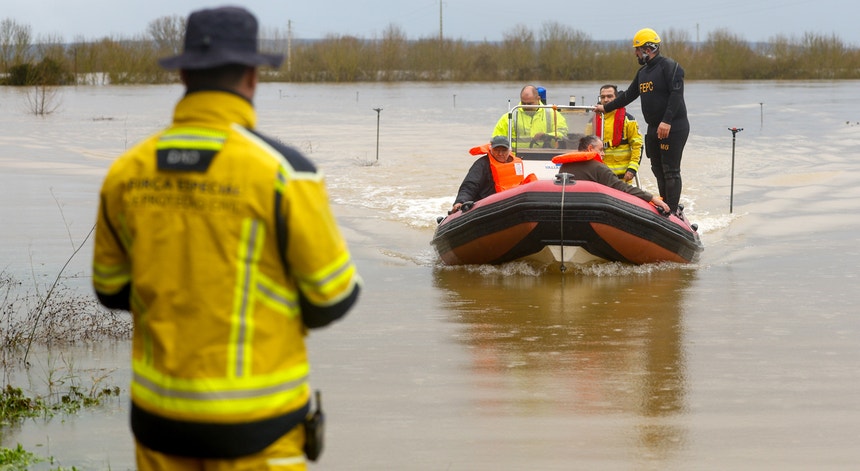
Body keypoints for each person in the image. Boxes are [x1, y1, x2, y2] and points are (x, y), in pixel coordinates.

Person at [91, 6, 361, 470]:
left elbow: (111, 291)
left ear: (183, 77)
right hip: (260, 431)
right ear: (253, 76)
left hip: (160, 426)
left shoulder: (126, 172)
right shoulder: (286, 174)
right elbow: (331, 300)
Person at [594, 28, 689, 214]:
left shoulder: (670, 67)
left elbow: (676, 95)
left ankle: (673, 210)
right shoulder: (643, 72)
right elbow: (628, 96)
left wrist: (667, 121)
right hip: (654, 127)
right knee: (657, 168)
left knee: (670, 170)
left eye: (637, 49)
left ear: (648, 48)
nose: (635, 53)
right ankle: (665, 203)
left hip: (673, 126)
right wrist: (606, 108)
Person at [556, 135, 670, 213]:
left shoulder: (565, 166)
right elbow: (621, 187)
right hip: (591, 212)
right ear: (590, 149)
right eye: (600, 150)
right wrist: (651, 198)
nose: (603, 154)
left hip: (567, 209)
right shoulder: (598, 167)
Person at [451, 135, 533, 212]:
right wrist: (460, 201)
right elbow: (470, 185)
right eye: (496, 150)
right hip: (486, 206)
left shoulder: (516, 164)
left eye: (504, 150)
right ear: (491, 149)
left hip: (509, 204)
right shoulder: (482, 164)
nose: (500, 154)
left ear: (509, 150)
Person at [493, 85, 568, 149]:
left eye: (529, 103)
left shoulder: (552, 113)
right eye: (523, 103)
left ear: (538, 99)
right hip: (516, 158)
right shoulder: (510, 116)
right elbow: (496, 140)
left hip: (546, 155)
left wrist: (547, 135)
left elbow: (563, 132)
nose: (526, 106)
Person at [595, 84, 644, 183]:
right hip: (600, 176)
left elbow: (637, 145)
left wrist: (632, 169)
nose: (606, 100)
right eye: (603, 97)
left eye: (610, 96)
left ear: (617, 98)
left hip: (623, 178)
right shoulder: (593, 120)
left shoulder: (628, 120)